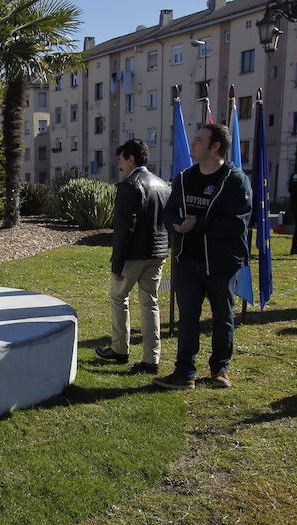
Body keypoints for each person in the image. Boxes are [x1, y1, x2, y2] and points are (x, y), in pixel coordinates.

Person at [154, 124, 252, 390]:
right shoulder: (185, 178)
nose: (193, 144)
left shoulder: (235, 180)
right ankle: (184, 372)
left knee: (222, 317)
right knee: (187, 317)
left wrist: (198, 223)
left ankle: (220, 369)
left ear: (215, 146)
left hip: (221, 264)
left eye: (198, 140)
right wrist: (177, 223)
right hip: (188, 261)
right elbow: (170, 211)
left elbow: (237, 226)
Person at [95, 139, 170, 374]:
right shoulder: (163, 186)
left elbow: (123, 229)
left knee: (119, 298)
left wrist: (117, 266)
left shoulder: (129, 186)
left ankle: (120, 349)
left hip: (134, 255)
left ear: (131, 159)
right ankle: (151, 358)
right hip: (157, 253)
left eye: (120, 160)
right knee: (150, 304)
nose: (119, 165)